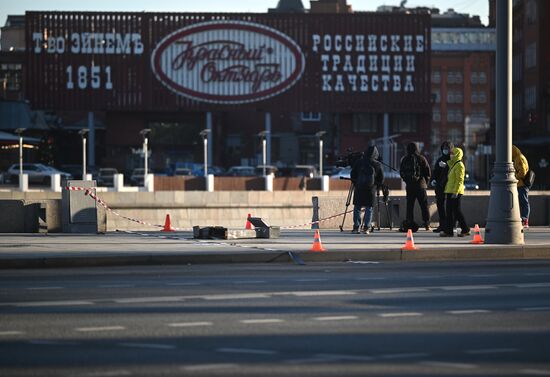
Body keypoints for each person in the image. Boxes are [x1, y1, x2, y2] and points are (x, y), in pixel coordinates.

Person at [350, 145, 384, 234]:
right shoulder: (377, 164)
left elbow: (353, 174)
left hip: (359, 188)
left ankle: (356, 227)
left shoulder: (359, 162)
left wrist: (356, 183)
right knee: (369, 208)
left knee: (357, 207)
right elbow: (381, 178)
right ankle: (366, 228)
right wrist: (376, 186)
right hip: (371, 189)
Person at [399, 142, 431, 231]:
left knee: (410, 206)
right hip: (421, 186)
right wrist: (425, 183)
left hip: (410, 186)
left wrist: (407, 180)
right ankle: (427, 224)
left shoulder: (405, 159)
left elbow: (401, 172)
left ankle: (409, 223)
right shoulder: (421, 158)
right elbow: (428, 172)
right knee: (424, 205)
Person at [440, 147, 470, 237]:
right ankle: (449, 231)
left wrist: (456, 192)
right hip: (450, 191)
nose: (451, 155)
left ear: (457, 154)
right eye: (451, 153)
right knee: (449, 212)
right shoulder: (454, 165)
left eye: (453, 153)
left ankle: (465, 229)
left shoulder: (459, 165)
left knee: (456, 211)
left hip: (455, 192)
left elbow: (459, 180)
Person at [431, 141, 453, 233]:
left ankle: (448, 226)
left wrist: (446, 166)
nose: (445, 150)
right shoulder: (440, 159)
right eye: (444, 148)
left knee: (449, 207)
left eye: (447, 148)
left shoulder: (453, 160)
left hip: (449, 186)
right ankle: (442, 225)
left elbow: (454, 172)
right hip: (440, 186)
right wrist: (433, 180)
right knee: (440, 206)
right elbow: (435, 171)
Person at [512, 145, 530, 228]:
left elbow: (522, 172)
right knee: (522, 202)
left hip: (521, 184)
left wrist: (514, 177)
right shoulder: (517, 158)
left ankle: (525, 220)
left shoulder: (519, 158)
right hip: (519, 184)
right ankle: (523, 219)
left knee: (524, 202)